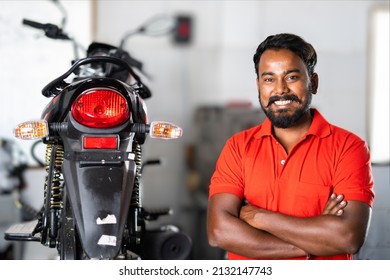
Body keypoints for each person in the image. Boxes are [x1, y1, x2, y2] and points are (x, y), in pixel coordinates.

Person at [207, 33, 375, 260]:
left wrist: (259, 218)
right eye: (269, 79)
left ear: (312, 83)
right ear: (258, 85)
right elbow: (219, 232)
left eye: (292, 77)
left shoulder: (348, 147)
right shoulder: (238, 147)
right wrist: (312, 242)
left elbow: (348, 237)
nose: (280, 90)